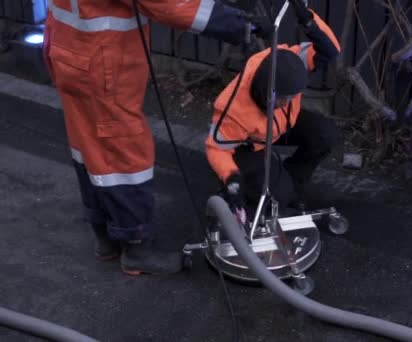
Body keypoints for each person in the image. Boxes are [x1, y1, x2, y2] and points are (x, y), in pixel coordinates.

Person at [43, 0, 271, 275]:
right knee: (126, 159)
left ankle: (105, 236)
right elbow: (172, 4)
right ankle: (136, 247)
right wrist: (241, 25)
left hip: (68, 51)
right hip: (102, 64)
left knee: (88, 147)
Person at [205, 0, 341, 213]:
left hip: (280, 125)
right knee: (276, 195)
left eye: (291, 97)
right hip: (247, 144)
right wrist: (230, 177)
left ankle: (290, 186)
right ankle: (259, 192)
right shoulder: (234, 108)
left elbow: (329, 51)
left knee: (324, 134)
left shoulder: (291, 62)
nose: (286, 102)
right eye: (282, 98)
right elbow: (215, 148)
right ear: (266, 89)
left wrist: (308, 20)